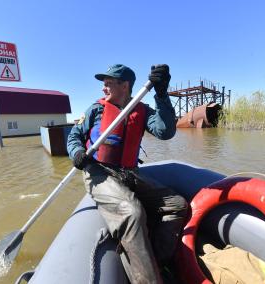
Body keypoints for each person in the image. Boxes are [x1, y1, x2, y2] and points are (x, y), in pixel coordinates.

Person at [67, 64, 188, 283]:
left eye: (108, 84)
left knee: (177, 204)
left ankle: (156, 262)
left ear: (125, 86)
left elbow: (166, 132)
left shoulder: (141, 110)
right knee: (132, 211)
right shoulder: (96, 109)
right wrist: (77, 153)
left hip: (129, 173)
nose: (103, 89)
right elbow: (74, 135)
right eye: (103, 85)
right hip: (99, 173)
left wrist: (162, 94)